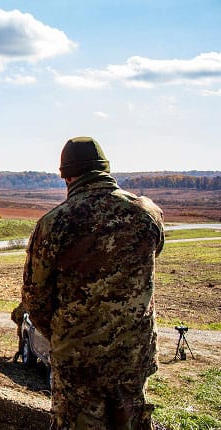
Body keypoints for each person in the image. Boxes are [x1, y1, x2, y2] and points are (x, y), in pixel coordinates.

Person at [21, 137, 164, 429]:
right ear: (105, 169)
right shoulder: (148, 213)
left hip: (78, 359)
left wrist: (65, 332)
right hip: (132, 355)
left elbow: (35, 299)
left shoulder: (54, 223)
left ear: (68, 176)